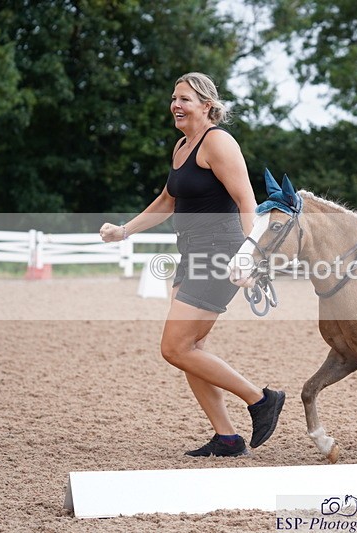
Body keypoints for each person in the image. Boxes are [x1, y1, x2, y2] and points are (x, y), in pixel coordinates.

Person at [100, 72, 285, 457]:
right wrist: (125, 230)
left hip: (220, 252)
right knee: (193, 348)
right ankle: (228, 438)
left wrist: (251, 257)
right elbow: (168, 201)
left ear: (207, 105)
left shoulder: (218, 142)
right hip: (190, 252)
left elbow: (246, 200)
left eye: (185, 98)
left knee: (175, 347)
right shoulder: (183, 147)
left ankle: (261, 399)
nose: (176, 105)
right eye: (173, 98)